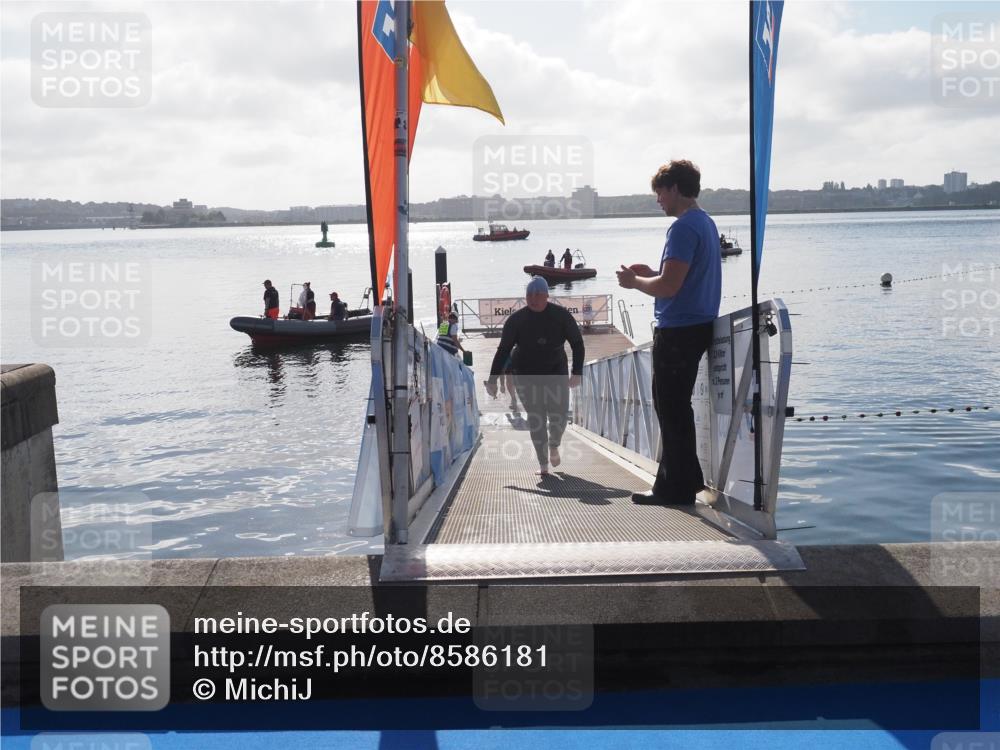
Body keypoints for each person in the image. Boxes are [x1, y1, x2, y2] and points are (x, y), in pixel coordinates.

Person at [616, 159, 721, 505]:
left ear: (674, 188)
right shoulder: (704, 222)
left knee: (670, 408)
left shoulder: (682, 228)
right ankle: (687, 479)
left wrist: (634, 282)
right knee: (676, 407)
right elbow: (675, 276)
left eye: (660, 192)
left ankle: (673, 488)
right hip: (698, 325)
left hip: (678, 330)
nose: (658, 199)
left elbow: (669, 286)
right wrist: (652, 272)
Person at [486, 277, 584, 475]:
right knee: (536, 418)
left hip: (556, 370)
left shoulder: (561, 316)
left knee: (560, 416)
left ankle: (554, 444)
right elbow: (504, 350)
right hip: (525, 373)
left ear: (547, 295)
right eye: (529, 295)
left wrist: (577, 373)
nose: (533, 299)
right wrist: (493, 379)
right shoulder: (516, 320)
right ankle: (543, 465)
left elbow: (577, 344)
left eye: (538, 294)